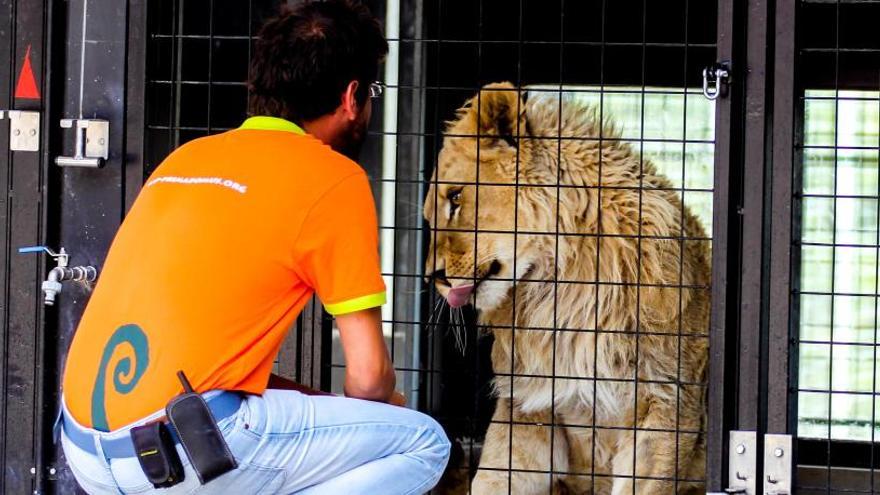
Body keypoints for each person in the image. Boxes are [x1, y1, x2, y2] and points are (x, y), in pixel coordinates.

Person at [59, 1, 451, 493]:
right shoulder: (333, 177)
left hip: (86, 450)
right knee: (421, 443)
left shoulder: (187, 158)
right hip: (186, 454)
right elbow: (370, 380)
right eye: (371, 91)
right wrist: (380, 407)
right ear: (351, 97)